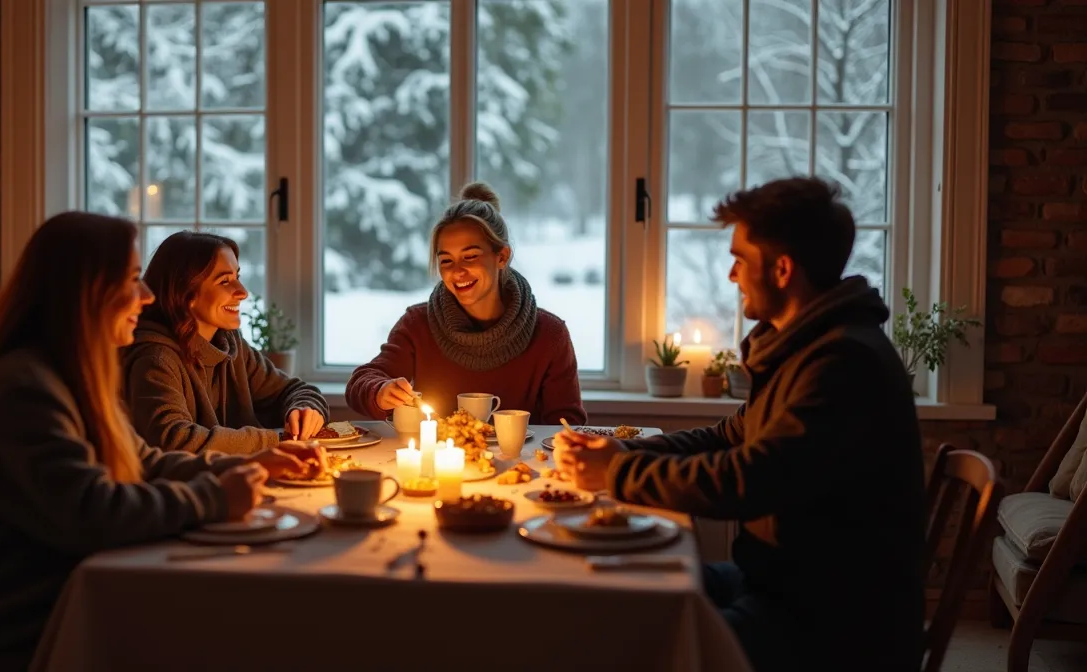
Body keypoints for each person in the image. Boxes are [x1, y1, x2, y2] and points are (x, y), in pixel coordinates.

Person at [553, 177, 924, 672]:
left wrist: (617, 476)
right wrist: (628, 455)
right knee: (619, 590)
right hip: (783, 581)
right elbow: (731, 435)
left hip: (830, 622)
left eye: (740, 259)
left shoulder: (841, 364)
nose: (731, 275)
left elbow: (750, 479)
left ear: (783, 269)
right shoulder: (810, 345)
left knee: (630, 637)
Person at [0, 212, 325, 672]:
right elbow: (92, 511)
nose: (147, 295)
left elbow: (145, 460)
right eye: (133, 279)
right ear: (84, 290)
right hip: (24, 621)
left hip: (71, 585)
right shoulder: (24, 387)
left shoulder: (74, 372)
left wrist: (252, 466)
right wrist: (215, 496)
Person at [345, 182, 587, 425]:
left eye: (470, 257)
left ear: (501, 256)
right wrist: (381, 391)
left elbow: (568, 425)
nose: (457, 271)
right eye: (447, 261)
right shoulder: (418, 324)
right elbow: (361, 383)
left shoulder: (550, 334)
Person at [123, 231, 329, 454]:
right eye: (225, 281)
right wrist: (276, 439)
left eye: (237, 278)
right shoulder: (155, 358)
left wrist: (306, 409)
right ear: (185, 293)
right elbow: (173, 439)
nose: (242, 292)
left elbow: (294, 390)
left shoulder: (230, 344)